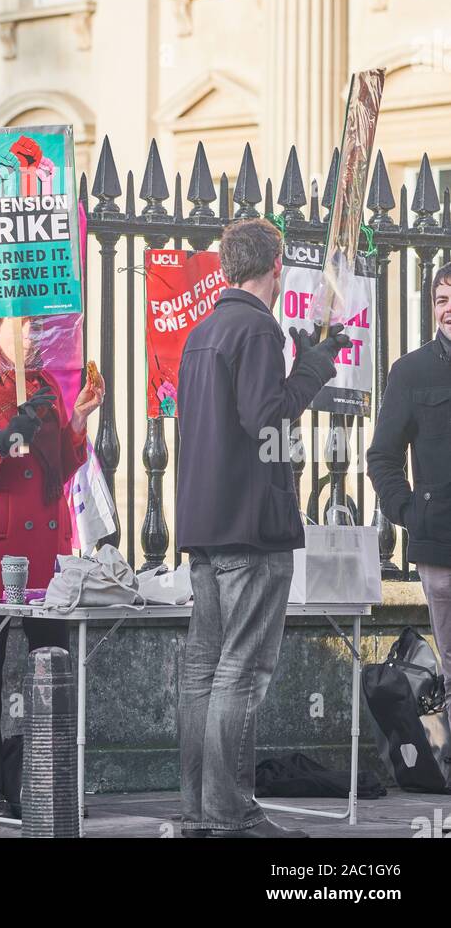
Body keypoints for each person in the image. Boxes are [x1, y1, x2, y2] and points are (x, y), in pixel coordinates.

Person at [175, 219, 350, 840]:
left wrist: (297, 363)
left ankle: (199, 810)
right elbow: (266, 419)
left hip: (205, 525)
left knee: (205, 672)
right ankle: (230, 813)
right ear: (276, 265)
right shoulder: (255, 327)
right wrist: (314, 369)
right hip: (249, 527)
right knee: (239, 673)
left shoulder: (202, 332)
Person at [0, 315, 103, 818]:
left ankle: (53, 778)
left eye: (39, 325)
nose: (35, 335)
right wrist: (5, 437)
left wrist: (78, 418)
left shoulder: (44, 384)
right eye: (24, 325)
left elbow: (60, 464)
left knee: (53, 663)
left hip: (46, 545)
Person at [367, 260, 451, 730]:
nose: (448, 309)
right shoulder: (411, 371)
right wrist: (410, 512)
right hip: (440, 545)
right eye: (441, 300)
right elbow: (382, 456)